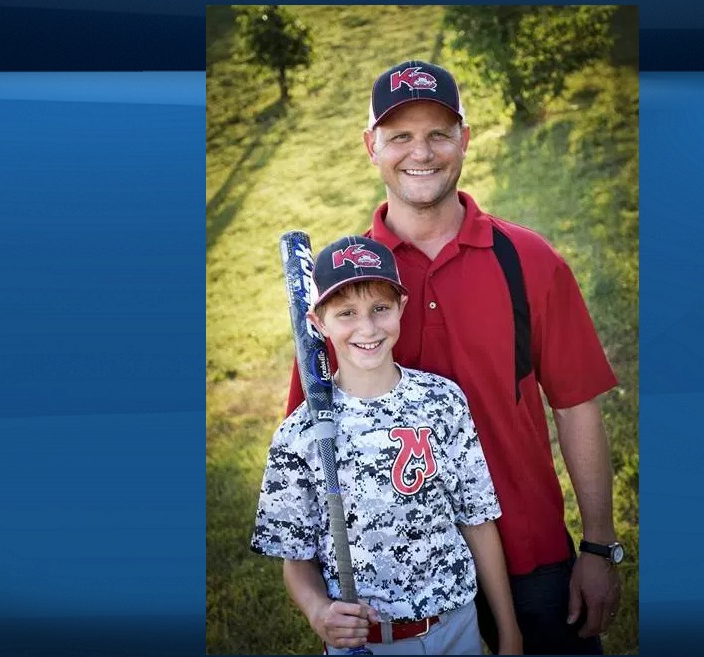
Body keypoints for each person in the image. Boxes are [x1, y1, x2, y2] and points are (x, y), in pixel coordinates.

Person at [287, 61, 625, 654]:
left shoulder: (529, 260)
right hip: (402, 584)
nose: (422, 152)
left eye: (439, 133)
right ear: (372, 147)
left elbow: (576, 408)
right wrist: (318, 597)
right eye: (400, 136)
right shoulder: (345, 293)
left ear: (464, 139)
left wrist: (598, 545)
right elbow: (313, 451)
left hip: (532, 560)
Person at [254, 235, 523, 655]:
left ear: (401, 307)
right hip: (369, 643)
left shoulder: (443, 401)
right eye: (346, 314)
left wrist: (509, 632)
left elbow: (477, 520)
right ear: (319, 323)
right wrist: (318, 611)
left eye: (380, 308)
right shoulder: (300, 436)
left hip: (457, 627)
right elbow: (296, 559)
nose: (367, 328)